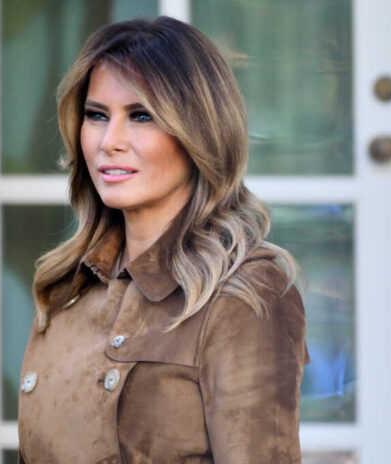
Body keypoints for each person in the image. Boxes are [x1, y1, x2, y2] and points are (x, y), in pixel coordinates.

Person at [17, 15, 309, 463]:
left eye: (141, 116)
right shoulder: (67, 289)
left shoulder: (246, 295)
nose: (109, 141)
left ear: (199, 133)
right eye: (97, 115)